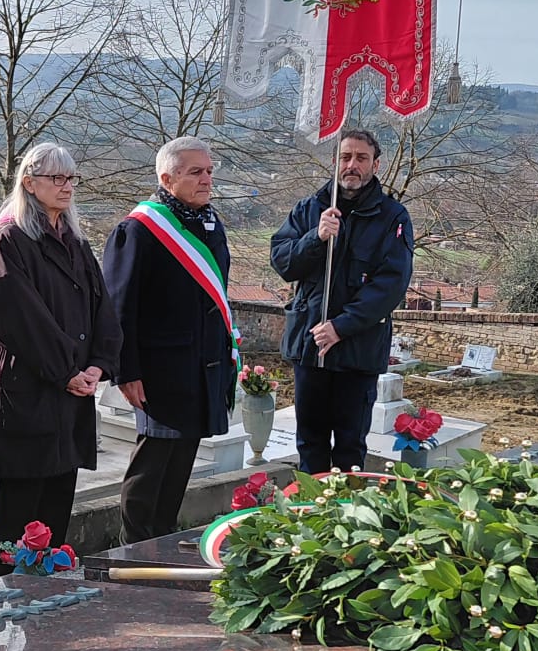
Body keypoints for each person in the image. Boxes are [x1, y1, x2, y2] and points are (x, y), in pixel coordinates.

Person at [0, 142, 120, 556]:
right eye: (56, 177)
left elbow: (101, 306)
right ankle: (9, 599)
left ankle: (49, 590)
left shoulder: (74, 240)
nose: (67, 185)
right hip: (32, 387)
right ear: (29, 182)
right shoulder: (12, 239)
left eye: (71, 177)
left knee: (58, 499)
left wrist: (98, 365)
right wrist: (66, 370)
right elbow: (20, 314)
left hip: (73, 391)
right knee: (22, 512)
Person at [104, 136, 234, 543]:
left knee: (181, 463)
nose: (206, 179)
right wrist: (127, 371)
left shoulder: (209, 224)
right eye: (196, 172)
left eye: (209, 171)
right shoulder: (138, 230)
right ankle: (136, 545)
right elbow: (119, 307)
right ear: (167, 177)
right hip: (160, 370)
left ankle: (162, 537)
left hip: (202, 364)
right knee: (153, 464)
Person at [269, 127, 414, 475]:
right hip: (310, 347)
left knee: (349, 448)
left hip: (357, 352)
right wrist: (315, 238)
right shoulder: (310, 209)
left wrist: (340, 326)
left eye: (361, 158)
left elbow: (390, 286)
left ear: (375, 165)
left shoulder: (392, 218)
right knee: (310, 442)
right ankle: (309, 514)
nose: (352, 165)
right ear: (335, 163)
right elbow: (283, 262)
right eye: (346, 157)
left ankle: (345, 520)